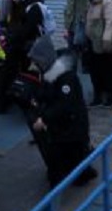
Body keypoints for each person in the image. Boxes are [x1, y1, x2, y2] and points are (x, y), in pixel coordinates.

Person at [26, 35, 98, 188]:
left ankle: (61, 185)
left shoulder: (66, 78)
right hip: (65, 127)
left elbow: (65, 105)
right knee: (65, 160)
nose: (34, 65)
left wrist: (44, 118)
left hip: (71, 128)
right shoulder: (53, 75)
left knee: (64, 160)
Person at [64, 0, 94, 67]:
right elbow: (68, 3)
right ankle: (73, 69)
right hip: (71, 19)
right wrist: (66, 25)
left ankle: (86, 66)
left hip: (85, 20)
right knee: (71, 47)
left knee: (84, 45)